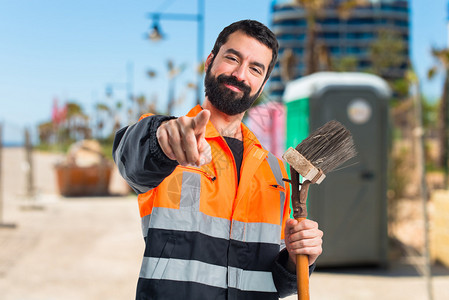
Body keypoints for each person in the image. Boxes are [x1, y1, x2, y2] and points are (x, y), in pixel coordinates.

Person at [113, 19, 323, 300]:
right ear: (210, 61)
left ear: (262, 84)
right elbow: (131, 158)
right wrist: (162, 139)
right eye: (232, 58)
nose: (239, 74)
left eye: (254, 68)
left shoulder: (275, 172)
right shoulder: (170, 140)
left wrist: (298, 259)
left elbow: (276, 284)